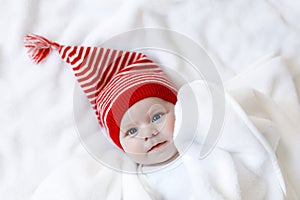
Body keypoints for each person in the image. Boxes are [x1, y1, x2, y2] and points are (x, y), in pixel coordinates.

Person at [25, 34, 288, 200]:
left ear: (178, 109)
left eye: (156, 117)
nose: (148, 133)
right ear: (120, 146)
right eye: (130, 131)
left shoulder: (204, 139)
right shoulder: (131, 183)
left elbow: (249, 117)